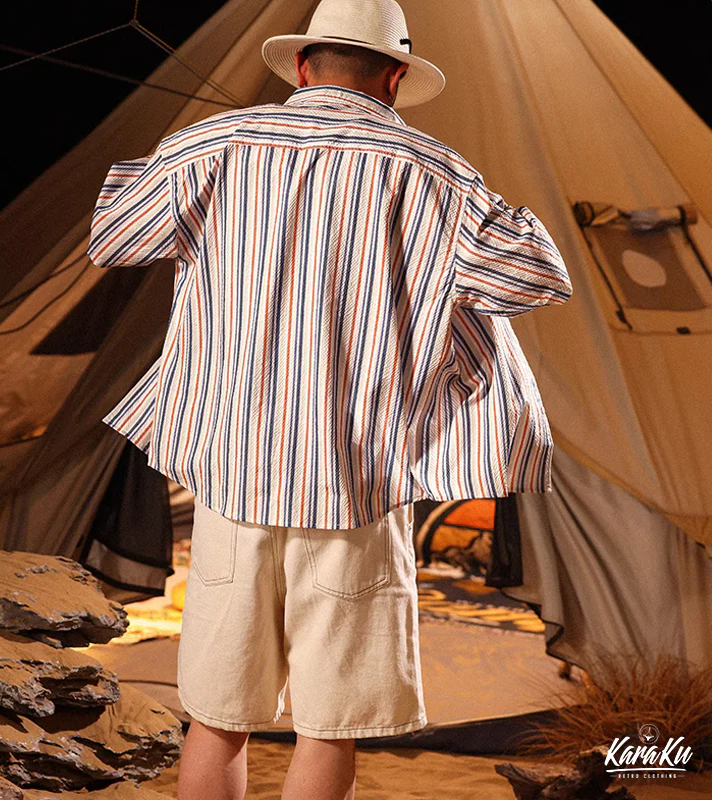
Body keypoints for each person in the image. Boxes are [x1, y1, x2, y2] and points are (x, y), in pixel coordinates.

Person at [87, 1, 572, 797]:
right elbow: (536, 278)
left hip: (233, 477)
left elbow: (113, 237)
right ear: (395, 77)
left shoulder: (214, 144)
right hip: (356, 485)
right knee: (329, 726)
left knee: (217, 716)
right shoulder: (436, 173)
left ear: (302, 65)